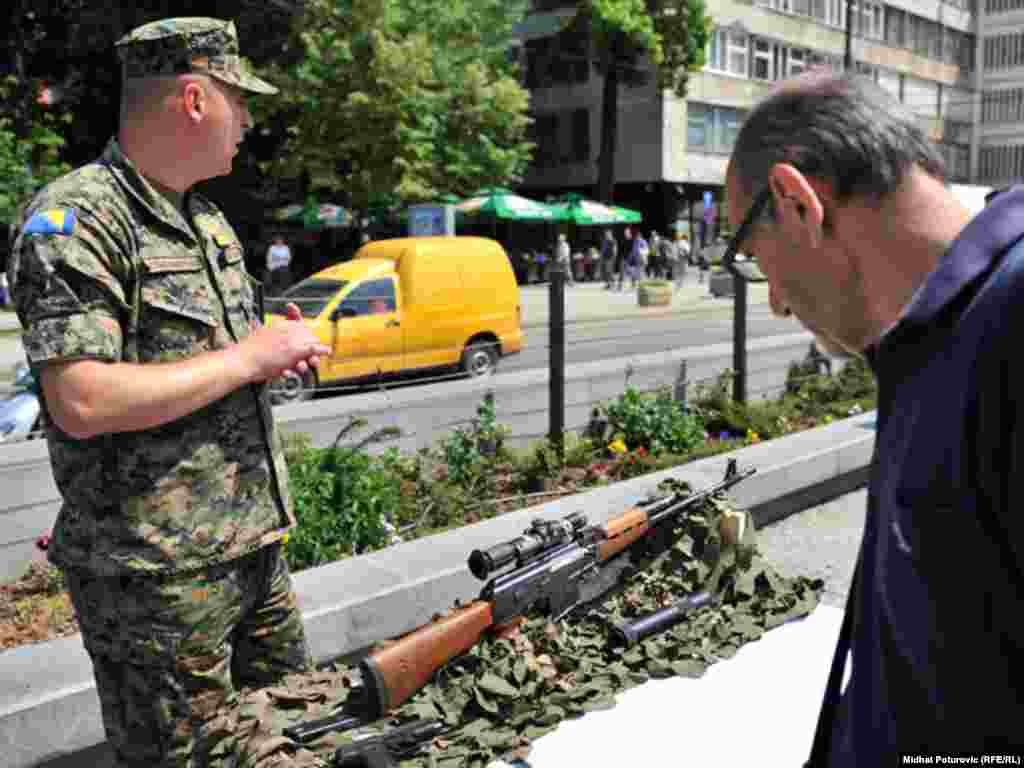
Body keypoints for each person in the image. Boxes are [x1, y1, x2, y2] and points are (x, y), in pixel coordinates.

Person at [6, 18, 331, 768]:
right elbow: (81, 399)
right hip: (155, 584)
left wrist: (273, 358)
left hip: (251, 553)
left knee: (307, 739)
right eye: (237, 100)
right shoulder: (78, 220)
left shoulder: (206, 220)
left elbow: (207, 369)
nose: (247, 120)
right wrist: (250, 357)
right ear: (193, 98)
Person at [725, 71, 1024, 764]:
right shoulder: (937, 336)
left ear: (797, 203)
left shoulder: (1008, 323)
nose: (773, 301)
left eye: (754, 259)